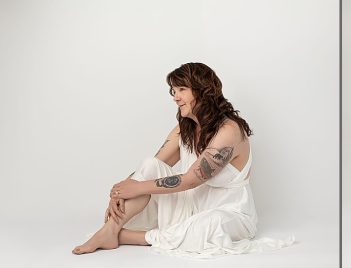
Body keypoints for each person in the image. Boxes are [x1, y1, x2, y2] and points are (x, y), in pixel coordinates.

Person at [73, 62, 290, 257]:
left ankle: (124, 236)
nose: (175, 97)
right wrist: (119, 191)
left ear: (203, 91)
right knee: (150, 164)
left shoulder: (229, 130)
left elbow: (190, 180)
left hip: (230, 215)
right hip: (190, 208)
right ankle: (110, 231)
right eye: (173, 91)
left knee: (209, 225)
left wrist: (136, 189)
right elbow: (151, 168)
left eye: (182, 90)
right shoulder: (183, 129)